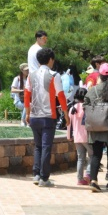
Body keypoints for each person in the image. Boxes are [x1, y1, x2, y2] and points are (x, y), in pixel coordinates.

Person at [24, 48, 69, 187]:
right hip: (49, 116)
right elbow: (60, 95)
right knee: (46, 147)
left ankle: (36, 175)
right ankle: (44, 178)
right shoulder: (54, 75)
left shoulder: (31, 75)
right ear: (50, 59)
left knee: (38, 147)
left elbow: (26, 95)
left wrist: (27, 113)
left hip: (35, 116)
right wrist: (66, 114)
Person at [84, 63, 108, 192]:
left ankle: (94, 180)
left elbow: (85, 106)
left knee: (96, 154)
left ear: (100, 76)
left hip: (97, 126)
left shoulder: (92, 91)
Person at [66, 87, 92, 186]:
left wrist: (69, 136)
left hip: (77, 137)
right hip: (87, 136)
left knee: (80, 158)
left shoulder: (73, 108)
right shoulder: (87, 107)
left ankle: (80, 179)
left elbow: (69, 125)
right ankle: (88, 174)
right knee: (92, 156)